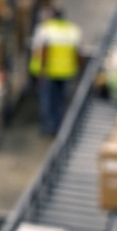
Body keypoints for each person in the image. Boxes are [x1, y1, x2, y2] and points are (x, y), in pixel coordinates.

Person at [30, 7, 83, 136]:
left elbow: (42, 51)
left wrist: (41, 72)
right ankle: (59, 127)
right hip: (67, 72)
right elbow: (78, 53)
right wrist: (77, 71)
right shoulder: (73, 30)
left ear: (52, 16)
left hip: (48, 72)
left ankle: (48, 127)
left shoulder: (45, 29)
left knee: (47, 100)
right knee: (60, 100)